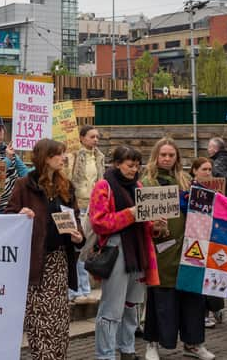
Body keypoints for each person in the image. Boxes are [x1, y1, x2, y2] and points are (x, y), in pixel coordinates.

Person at [6, 138, 84, 359]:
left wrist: (78, 236)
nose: (63, 158)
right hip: (36, 263)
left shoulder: (66, 186)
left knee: (59, 321)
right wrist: (20, 215)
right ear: (46, 158)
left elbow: (75, 218)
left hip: (59, 262)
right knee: (40, 322)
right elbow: (8, 217)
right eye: (59, 154)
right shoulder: (24, 185)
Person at [142, 138, 214, 360]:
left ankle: (193, 344)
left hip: (190, 248)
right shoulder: (147, 183)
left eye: (171, 155)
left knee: (192, 298)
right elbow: (141, 217)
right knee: (161, 299)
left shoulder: (186, 181)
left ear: (177, 158)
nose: (166, 159)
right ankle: (152, 343)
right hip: (161, 250)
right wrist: (153, 226)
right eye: (163, 154)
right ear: (156, 156)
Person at [89, 145, 161, 360]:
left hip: (138, 250)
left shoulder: (138, 185)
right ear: (117, 164)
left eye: (137, 166)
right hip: (116, 249)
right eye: (130, 165)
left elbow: (145, 221)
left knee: (132, 305)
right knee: (111, 307)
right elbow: (99, 223)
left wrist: (155, 225)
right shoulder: (103, 186)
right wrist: (129, 214)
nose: (134, 169)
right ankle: (105, 355)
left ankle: (127, 349)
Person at [67, 125, 105, 304]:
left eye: (97, 137)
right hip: (78, 205)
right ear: (82, 138)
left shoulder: (99, 158)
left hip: (92, 207)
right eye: (92, 137)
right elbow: (69, 179)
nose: (95, 140)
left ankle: (83, 288)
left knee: (86, 248)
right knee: (77, 248)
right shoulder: (74, 156)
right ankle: (75, 290)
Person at [190, 158, 225, 329]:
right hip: (195, 238)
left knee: (214, 272)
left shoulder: (215, 187)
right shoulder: (189, 188)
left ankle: (215, 308)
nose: (208, 173)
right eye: (204, 169)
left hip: (212, 237)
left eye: (210, 169)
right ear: (195, 170)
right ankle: (202, 314)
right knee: (197, 276)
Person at [0, 115, 30, 213]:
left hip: (15, 205)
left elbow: (25, 173)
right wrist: (7, 159)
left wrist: (41, 166)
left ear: (4, 131)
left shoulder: (8, 150)